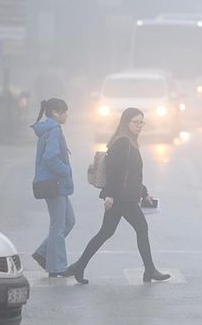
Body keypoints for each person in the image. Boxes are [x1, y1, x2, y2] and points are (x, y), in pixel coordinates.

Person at [67, 107, 170, 284]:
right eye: (135, 122)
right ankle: (150, 270)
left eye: (141, 122)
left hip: (125, 195)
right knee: (141, 229)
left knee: (105, 232)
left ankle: (79, 266)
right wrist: (110, 196)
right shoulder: (122, 143)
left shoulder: (129, 142)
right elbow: (115, 172)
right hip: (122, 198)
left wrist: (143, 192)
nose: (139, 126)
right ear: (125, 123)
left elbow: (130, 173)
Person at [30, 98, 76, 277]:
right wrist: (66, 170)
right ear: (56, 113)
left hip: (56, 184)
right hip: (55, 183)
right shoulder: (54, 130)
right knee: (58, 225)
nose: (67, 115)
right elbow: (50, 157)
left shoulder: (48, 129)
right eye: (64, 112)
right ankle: (57, 267)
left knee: (69, 221)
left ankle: (43, 253)